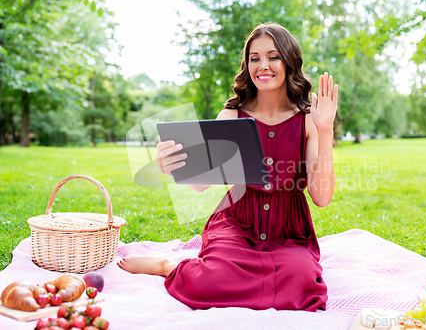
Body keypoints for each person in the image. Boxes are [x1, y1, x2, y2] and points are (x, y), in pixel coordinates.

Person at [118, 23, 338, 312]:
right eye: (254, 58)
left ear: (289, 61)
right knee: (210, 281)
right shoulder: (231, 115)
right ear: (247, 65)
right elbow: (202, 183)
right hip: (237, 222)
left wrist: (325, 131)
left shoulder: (309, 120)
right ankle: (169, 265)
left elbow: (321, 198)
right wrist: (171, 166)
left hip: (287, 231)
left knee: (303, 284)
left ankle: (210, 269)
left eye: (273, 56)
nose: (263, 65)